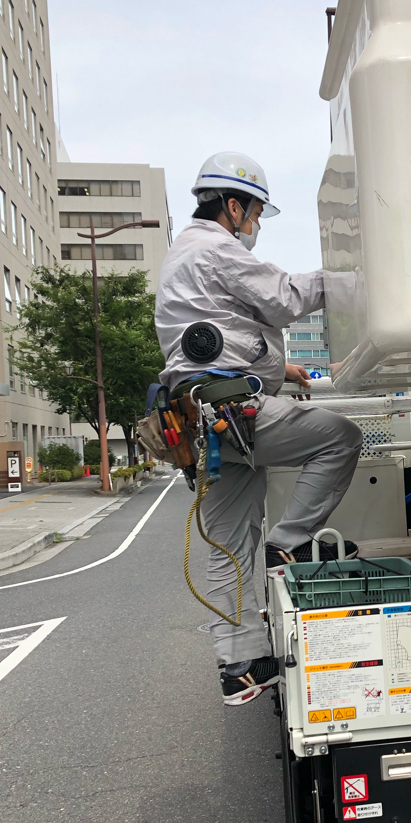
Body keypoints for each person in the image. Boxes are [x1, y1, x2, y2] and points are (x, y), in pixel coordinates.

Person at [155, 151, 362, 707]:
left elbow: (221, 333)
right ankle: (287, 545)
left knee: (228, 546)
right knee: (340, 437)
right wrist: (353, 281)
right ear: (232, 205)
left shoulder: (181, 254)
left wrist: (280, 370)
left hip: (202, 423)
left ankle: (240, 668)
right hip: (233, 414)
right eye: (254, 214)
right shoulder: (214, 248)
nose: (255, 226)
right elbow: (284, 298)